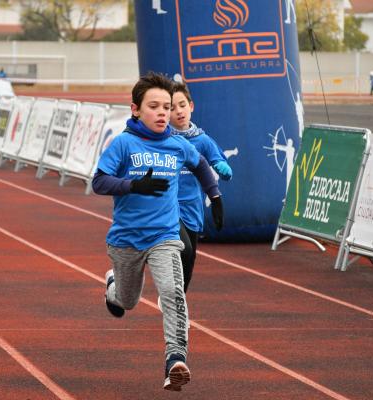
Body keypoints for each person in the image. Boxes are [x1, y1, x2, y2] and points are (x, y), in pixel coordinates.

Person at [92, 72, 223, 392]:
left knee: (173, 293)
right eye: (155, 106)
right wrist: (133, 185)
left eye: (166, 106)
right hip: (126, 239)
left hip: (165, 235)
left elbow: (201, 164)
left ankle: (175, 360)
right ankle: (113, 287)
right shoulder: (124, 143)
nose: (163, 112)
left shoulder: (178, 144)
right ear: (135, 109)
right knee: (127, 301)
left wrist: (215, 196)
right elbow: (99, 182)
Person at [168, 81, 232, 295]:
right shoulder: (163, 140)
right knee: (182, 250)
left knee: (189, 259)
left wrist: (222, 168)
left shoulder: (201, 140)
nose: (178, 111)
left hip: (192, 208)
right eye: (172, 107)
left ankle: (178, 302)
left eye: (182, 105)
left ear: (191, 106)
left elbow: (217, 160)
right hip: (167, 207)